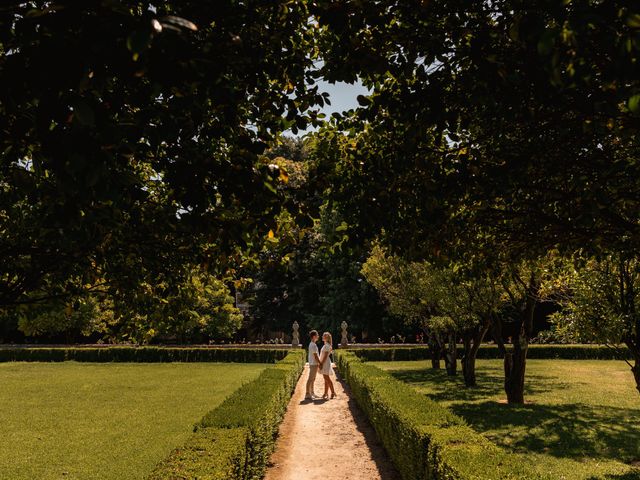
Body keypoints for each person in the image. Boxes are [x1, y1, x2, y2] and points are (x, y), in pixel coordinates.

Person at [319, 332, 336, 399]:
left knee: (327, 378)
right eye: (323, 335)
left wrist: (321, 364)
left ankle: (332, 392)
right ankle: (325, 393)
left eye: (324, 336)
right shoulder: (326, 345)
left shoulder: (327, 346)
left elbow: (325, 356)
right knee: (326, 379)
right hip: (325, 362)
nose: (322, 336)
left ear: (327, 338)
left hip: (325, 363)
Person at [305, 330, 321, 400]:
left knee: (313, 379)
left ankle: (312, 393)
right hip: (313, 364)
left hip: (314, 364)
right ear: (314, 336)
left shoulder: (313, 344)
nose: (318, 336)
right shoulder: (313, 345)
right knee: (310, 379)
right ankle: (307, 394)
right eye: (317, 335)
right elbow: (315, 356)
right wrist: (320, 363)